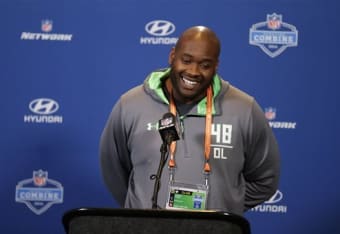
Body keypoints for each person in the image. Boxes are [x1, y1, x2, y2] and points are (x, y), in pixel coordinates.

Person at [100, 26, 280, 216]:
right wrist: (142, 208)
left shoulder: (245, 109)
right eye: (186, 60)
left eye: (205, 65)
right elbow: (115, 173)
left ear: (216, 66)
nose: (193, 71)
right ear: (172, 56)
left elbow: (265, 180)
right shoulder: (130, 104)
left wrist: (227, 203)